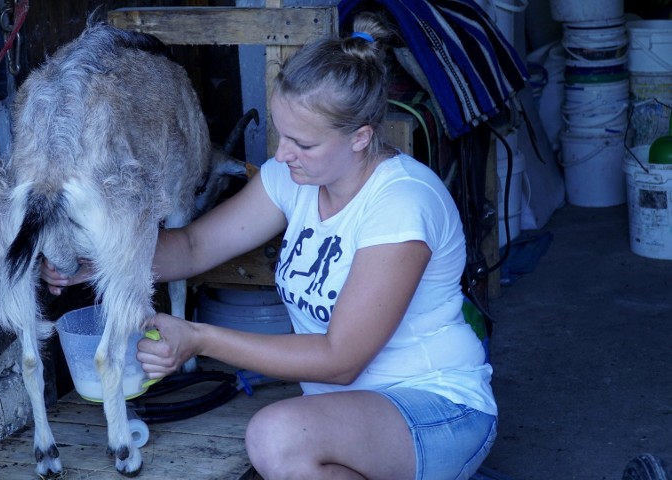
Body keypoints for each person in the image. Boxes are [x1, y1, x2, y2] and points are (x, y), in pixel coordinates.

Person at [42, 12, 497, 480]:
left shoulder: (401, 204)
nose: (280, 154)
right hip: (353, 415)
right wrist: (97, 262)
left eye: (302, 143)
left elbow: (340, 361)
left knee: (276, 436)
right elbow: (195, 246)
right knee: (284, 444)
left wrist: (200, 338)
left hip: (436, 408)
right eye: (281, 135)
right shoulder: (292, 178)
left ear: (361, 138)